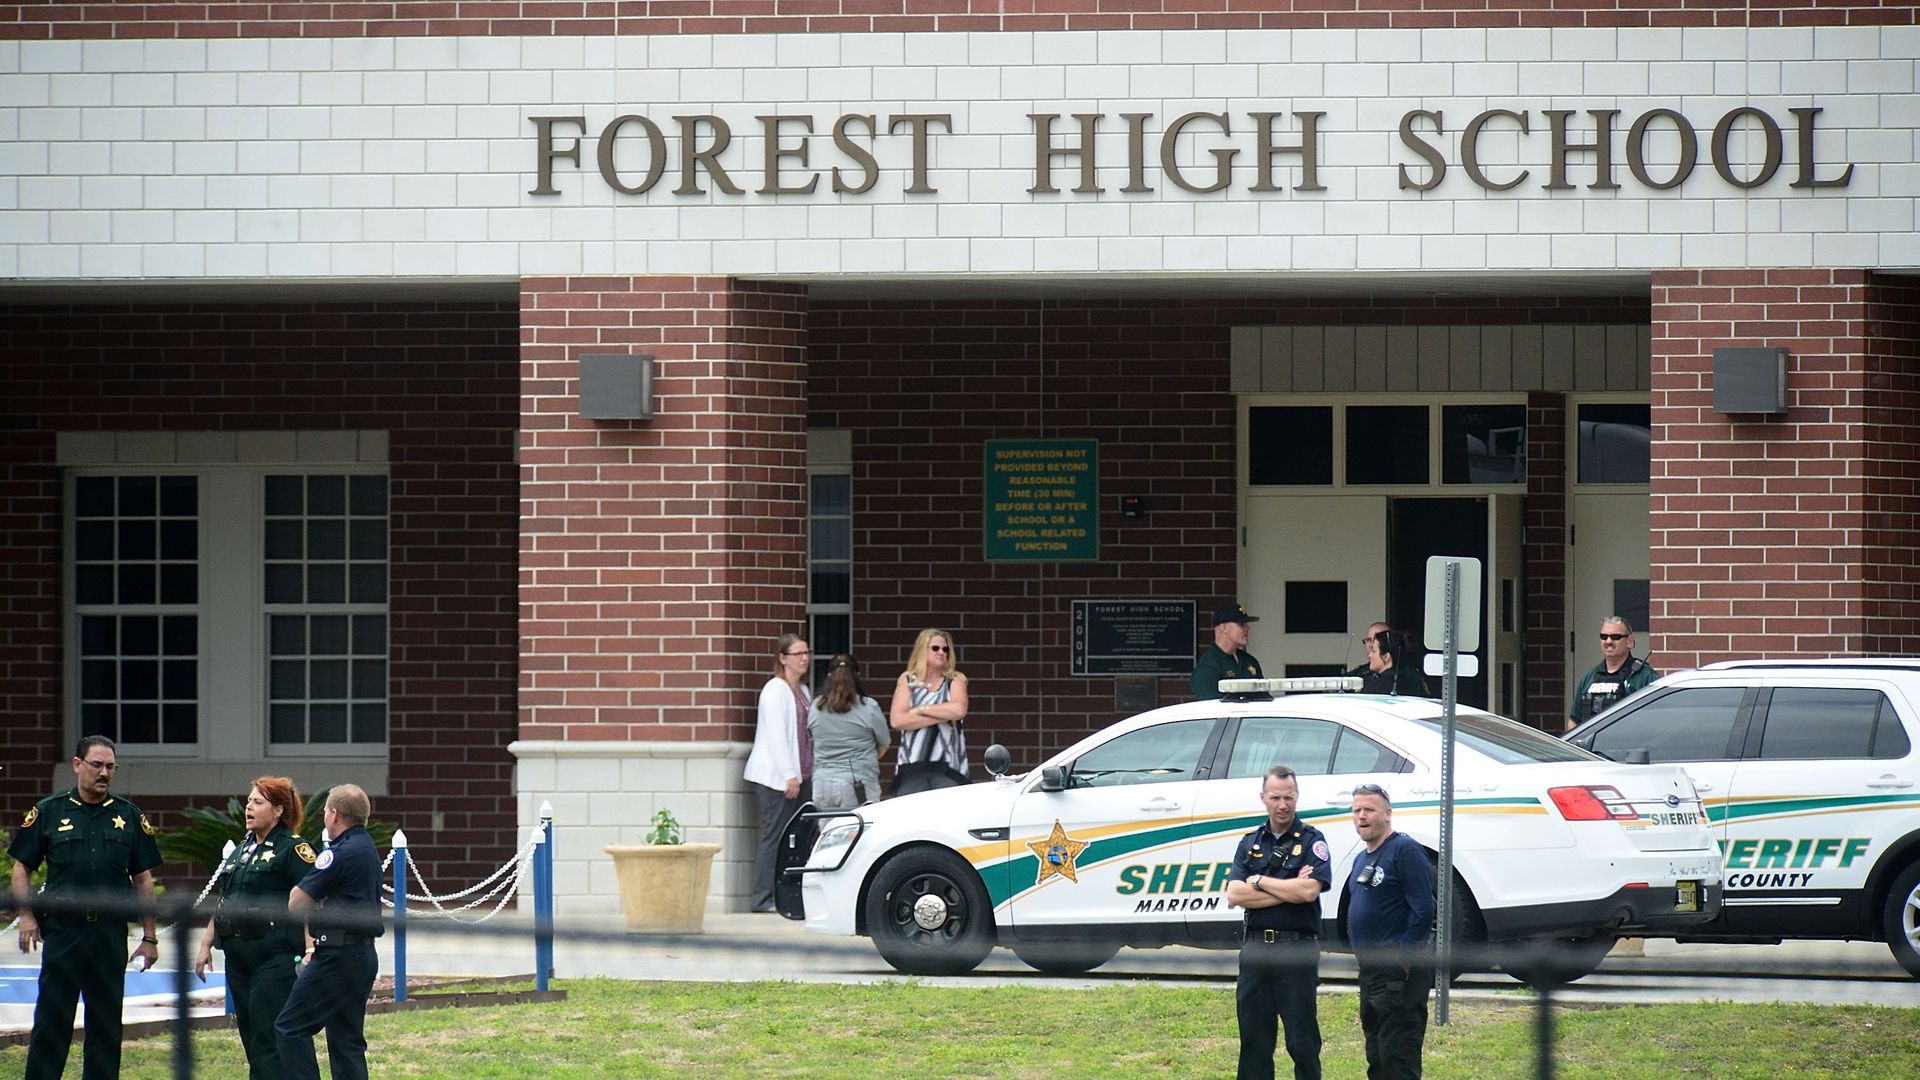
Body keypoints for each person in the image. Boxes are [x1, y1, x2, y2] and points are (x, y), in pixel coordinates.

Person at [9, 735, 163, 1080]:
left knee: (106, 1024)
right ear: (78, 765)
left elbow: (143, 879)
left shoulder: (128, 815)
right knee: (52, 1019)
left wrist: (149, 937)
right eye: (97, 765)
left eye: (110, 767)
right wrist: (26, 915)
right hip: (63, 932)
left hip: (109, 934)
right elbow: (21, 867)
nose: (104, 773)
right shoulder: (49, 811)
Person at [195, 776, 317, 1080]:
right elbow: (225, 899)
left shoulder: (293, 848)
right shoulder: (241, 850)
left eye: (258, 802)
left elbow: (312, 899)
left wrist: (311, 946)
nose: (249, 807)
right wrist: (205, 943)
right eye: (249, 801)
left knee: (267, 1036)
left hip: (274, 955)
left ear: (277, 810)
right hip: (238, 957)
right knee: (250, 1035)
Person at [1225, 765, 1332, 1080]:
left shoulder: (1312, 840)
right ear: (1263, 798)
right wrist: (1288, 889)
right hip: (1256, 949)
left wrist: (1258, 882)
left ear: (1297, 796)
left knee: (1302, 1041)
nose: (1282, 805)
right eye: (1275, 798)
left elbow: (1309, 892)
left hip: (1296, 949)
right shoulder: (1250, 842)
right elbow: (1234, 894)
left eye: (1288, 797)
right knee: (1254, 1042)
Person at [275, 784, 382, 1080]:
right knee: (346, 1041)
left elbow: (296, 901)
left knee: (290, 1027)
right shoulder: (368, 848)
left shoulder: (338, 853)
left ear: (334, 815)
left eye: (324, 812)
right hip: (362, 955)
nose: (324, 818)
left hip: (337, 955)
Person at [1347, 783, 1436, 1080]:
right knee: (1377, 1056)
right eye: (1357, 810)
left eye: (1369, 809)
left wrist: (1405, 956)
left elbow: (1424, 909)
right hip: (1370, 974)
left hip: (1398, 974)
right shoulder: (1362, 859)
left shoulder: (1404, 850)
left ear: (1387, 814)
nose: (1362, 816)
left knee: (1398, 1056)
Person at [744, 633, 813, 911]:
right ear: (783, 658)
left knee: (796, 839)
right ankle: (762, 898)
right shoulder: (775, 689)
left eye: (807, 653)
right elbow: (776, 736)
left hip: (803, 776)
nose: (804, 659)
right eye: (798, 654)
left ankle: (788, 896)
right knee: (774, 837)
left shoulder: (804, 691)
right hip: (777, 780)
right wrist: (788, 775)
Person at [889, 628, 970, 795]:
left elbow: (958, 710)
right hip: (913, 766)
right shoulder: (907, 680)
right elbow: (897, 720)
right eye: (935, 648)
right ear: (922, 650)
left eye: (945, 649)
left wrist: (920, 710)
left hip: (948, 767)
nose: (941, 652)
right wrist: (942, 715)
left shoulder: (955, 680)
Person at [809, 654, 891, 810]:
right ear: (857, 676)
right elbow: (884, 744)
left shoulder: (816, 706)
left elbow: (812, 737)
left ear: (829, 676)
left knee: (827, 826)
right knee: (861, 825)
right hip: (858, 781)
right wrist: (865, 759)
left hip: (822, 782)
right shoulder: (869, 707)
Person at [1567, 616, 1659, 729]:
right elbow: (1574, 720)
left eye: (1615, 637)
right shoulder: (1589, 677)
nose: (1608, 641)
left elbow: (1659, 717)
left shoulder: (1645, 677)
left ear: (1629, 641)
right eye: (1604, 637)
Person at [1192, 601, 1265, 700]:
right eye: (1241, 624)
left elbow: (1264, 699)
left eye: (1246, 624)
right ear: (1224, 627)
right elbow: (1211, 707)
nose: (1247, 628)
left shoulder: (1250, 661)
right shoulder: (1208, 668)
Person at [1349, 622, 1429, 697]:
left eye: (1374, 650)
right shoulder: (1363, 671)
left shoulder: (1409, 675)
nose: (1371, 645)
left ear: (1386, 656)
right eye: (1369, 640)